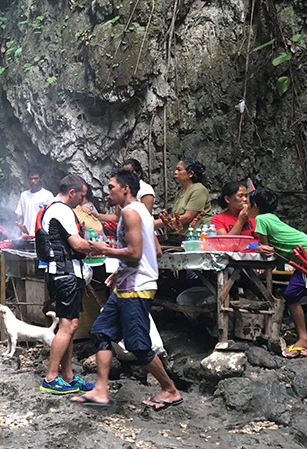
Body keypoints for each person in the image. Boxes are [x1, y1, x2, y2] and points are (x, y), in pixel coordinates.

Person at [72, 168, 182, 410]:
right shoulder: (136, 212)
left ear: (126, 189)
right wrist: (118, 271)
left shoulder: (132, 213)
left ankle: (170, 389)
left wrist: (104, 249)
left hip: (137, 288)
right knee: (101, 331)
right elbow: (150, 251)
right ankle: (100, 390)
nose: (107, 191)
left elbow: (135, 253)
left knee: (137, 343)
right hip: (126, 284)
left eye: (111, 187)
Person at [246, 187, 307, 357]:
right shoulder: (271, 217)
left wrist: (257, 247)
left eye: (248, 204)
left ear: (255, 206)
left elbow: (266, 248)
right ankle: (305, 339)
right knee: (296, 294)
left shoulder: (261, 219)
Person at [36, 174, 95, 395]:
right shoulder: (61, 210)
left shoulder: (52, 207)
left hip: (59, 273)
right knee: (69, 326)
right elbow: (77, 243)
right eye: (81, 195)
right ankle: (51, 377)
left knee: (67, 325)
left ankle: (68, 376)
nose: (82, 200)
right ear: (72, 192)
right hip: (65, 274)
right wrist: (101, 247)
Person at [155, 157, 210, 231]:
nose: (175, 172)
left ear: (191, 174)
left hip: (197, 235)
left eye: (179, 170)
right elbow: (174, 215)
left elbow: (188, 217)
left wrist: (157, 224)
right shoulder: (181, 192)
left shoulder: (199, 190)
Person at [15, 167, 55, 235]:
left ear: (40, 178)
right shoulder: (24, 195)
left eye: (36, 178)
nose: (33, 181)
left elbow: (52, 217)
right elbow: (20, 217)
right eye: (31, 178)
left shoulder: (48, 195)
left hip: (42, 235)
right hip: (27, 236)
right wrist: (16, 236)